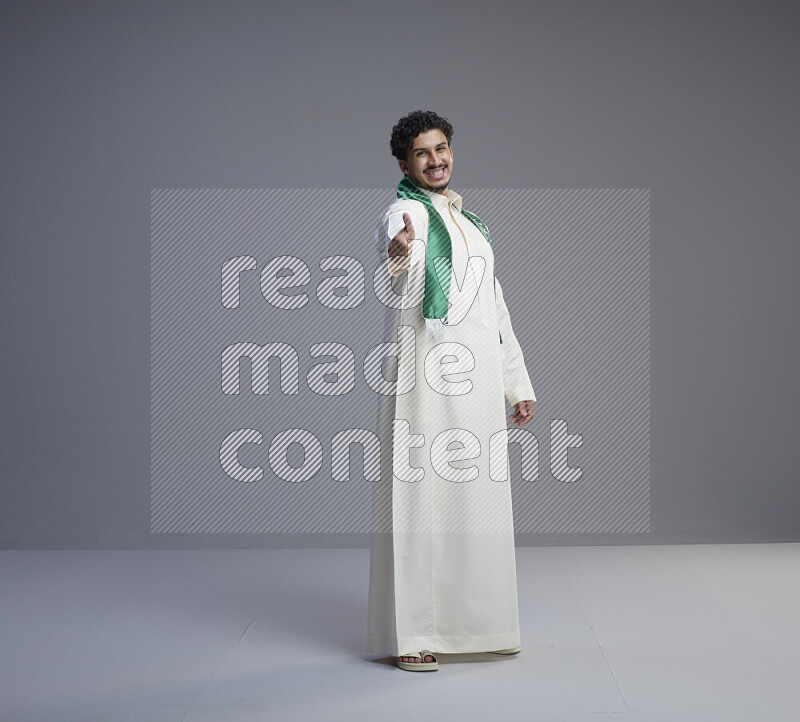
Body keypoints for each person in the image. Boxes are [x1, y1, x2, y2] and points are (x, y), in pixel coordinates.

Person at [366, 110, 537, 672]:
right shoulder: (405, 210)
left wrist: (516, 383)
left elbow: (496, 308)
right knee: (420, 502)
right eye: (422, 153)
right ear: (403, 164)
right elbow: (395, 249)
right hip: (425, 378)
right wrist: (399, 248)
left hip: (478, 380)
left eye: (442, 149)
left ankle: (476, 625)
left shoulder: (473, 224)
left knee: (475, 502)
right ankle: (414, 634)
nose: (436, 160)